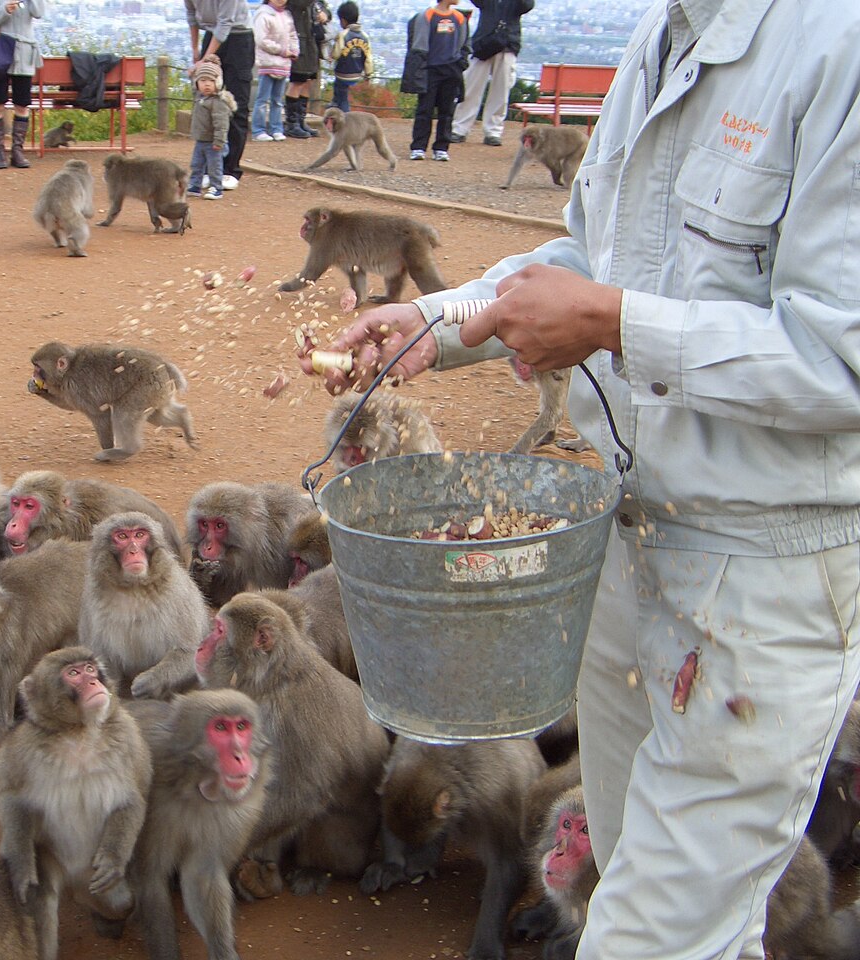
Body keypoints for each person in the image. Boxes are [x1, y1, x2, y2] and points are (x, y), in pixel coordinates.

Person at [302, 2, 860, 956]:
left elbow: (842, 359)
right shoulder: (662, 35)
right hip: (624, 537)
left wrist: (614, 324)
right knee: (638, 889)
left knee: (655, 938)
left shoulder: (834, 46)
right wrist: (443, 320)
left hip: (758, 578)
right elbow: (592, 257)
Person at [184, 0, 253, 190]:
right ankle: (209, 168)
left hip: (238, 38)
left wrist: (204, 61)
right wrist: (195, 50)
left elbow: (225, 24)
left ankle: (230, 170)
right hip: (211, 36)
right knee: (205, 102)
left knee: (235, 103)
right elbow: (192, 16)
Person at [449, 0, 533, 146]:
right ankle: (460, 128)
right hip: (483, 44)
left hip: (507, 44)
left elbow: (526, 6)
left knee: (500, 91)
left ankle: (493, 131)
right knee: (470, 88)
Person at [401, 0, 468, 161]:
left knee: (447, 111)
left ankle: (442, 147)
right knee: (425, 109)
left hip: (451, 70)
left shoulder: (459, 18)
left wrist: (461, 63)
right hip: (430, 70)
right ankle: (418, 146)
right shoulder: (427, 16)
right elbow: (419, 45)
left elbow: (464, 43)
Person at [0, 0, 44, 170]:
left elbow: (38, 13)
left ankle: (17, 151)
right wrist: (4, 10)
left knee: (22, 104)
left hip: (24, 54)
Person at [185, 57, 233, 201]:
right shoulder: (199, 97)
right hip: (200, 139)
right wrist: (193, 73)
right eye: (203, 81)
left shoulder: (218, 102)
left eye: (211, 81)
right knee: (196, 164)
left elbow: (221, 124)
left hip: (213, 141)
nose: (206, 84)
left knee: (214, 166)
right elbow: (193, 87)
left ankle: (216, 187)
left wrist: (219, 141)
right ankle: (195, 185)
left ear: (217, 82)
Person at [251, 0, 298, 141]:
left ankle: (276, 128)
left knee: (277, 99)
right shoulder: (263, 14)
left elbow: (293, 35)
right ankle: (258, 130)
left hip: (283, 63)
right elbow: (261, 40)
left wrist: (295, 50)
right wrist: (282, 50)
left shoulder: (287, 15)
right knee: (262, 99)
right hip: (267, 62)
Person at [283, 0, 327, 138]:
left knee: (308, 81)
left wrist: (323, 12)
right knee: (297, 81)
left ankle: (301, 120)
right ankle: (292, 123)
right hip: (299, 40)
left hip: (311, 42)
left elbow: (322, 6)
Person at [328, 1, 374, 113]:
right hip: (356, 74)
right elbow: (368, 59)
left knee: (341, 96)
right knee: (345, 97)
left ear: (343, 20)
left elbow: (336, 53)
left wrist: (331, 56)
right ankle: (336, 105)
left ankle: (344, 116)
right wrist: (369, 74)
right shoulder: (365, 36)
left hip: (342, 74)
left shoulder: (343, 35)